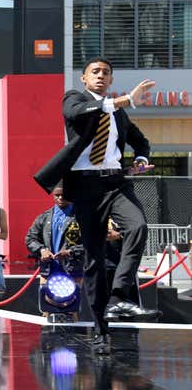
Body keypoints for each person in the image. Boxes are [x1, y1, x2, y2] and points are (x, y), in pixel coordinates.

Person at [35, 56, 161, 354]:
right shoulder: (76, 99)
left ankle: (118, 297)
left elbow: (140, 141)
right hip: (86, 186)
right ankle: (101, 332)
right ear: (84, 78)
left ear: (111, 79)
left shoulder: (119, 114)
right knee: (94, 259)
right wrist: (124, 100)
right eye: (95, 72)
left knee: (138, 226)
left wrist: (140, 159)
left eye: (106, 72)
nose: (101, 76)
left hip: (116, 182)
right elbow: (78, 112)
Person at [25, 184, 84, 319]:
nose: (60, 198)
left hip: (73, 269)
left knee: (72, 308)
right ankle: (46, 338)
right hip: (48, 269)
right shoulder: (44, 217)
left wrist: (70, 252)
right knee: (46, 308)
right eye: (57, 195)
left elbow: (90, 242)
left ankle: (76, 338)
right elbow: (30, 238)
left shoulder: (81, 216)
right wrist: (41, 250)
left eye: (64, 195)